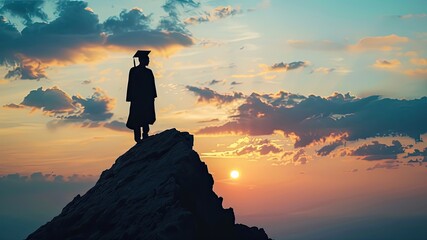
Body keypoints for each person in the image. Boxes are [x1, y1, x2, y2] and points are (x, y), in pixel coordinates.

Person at [126, 50, 157, 143]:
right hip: (137, 99)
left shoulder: (148, 72)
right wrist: (131, 97)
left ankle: (145, 135)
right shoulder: (133, 71)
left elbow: (152, 86)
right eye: (147, 59)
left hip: (146, 99)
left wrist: (152, 97)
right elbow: (131, 85)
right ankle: (138, 138)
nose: (148, 61)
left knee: (145, 117)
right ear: (142, 60)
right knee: (137, 118)